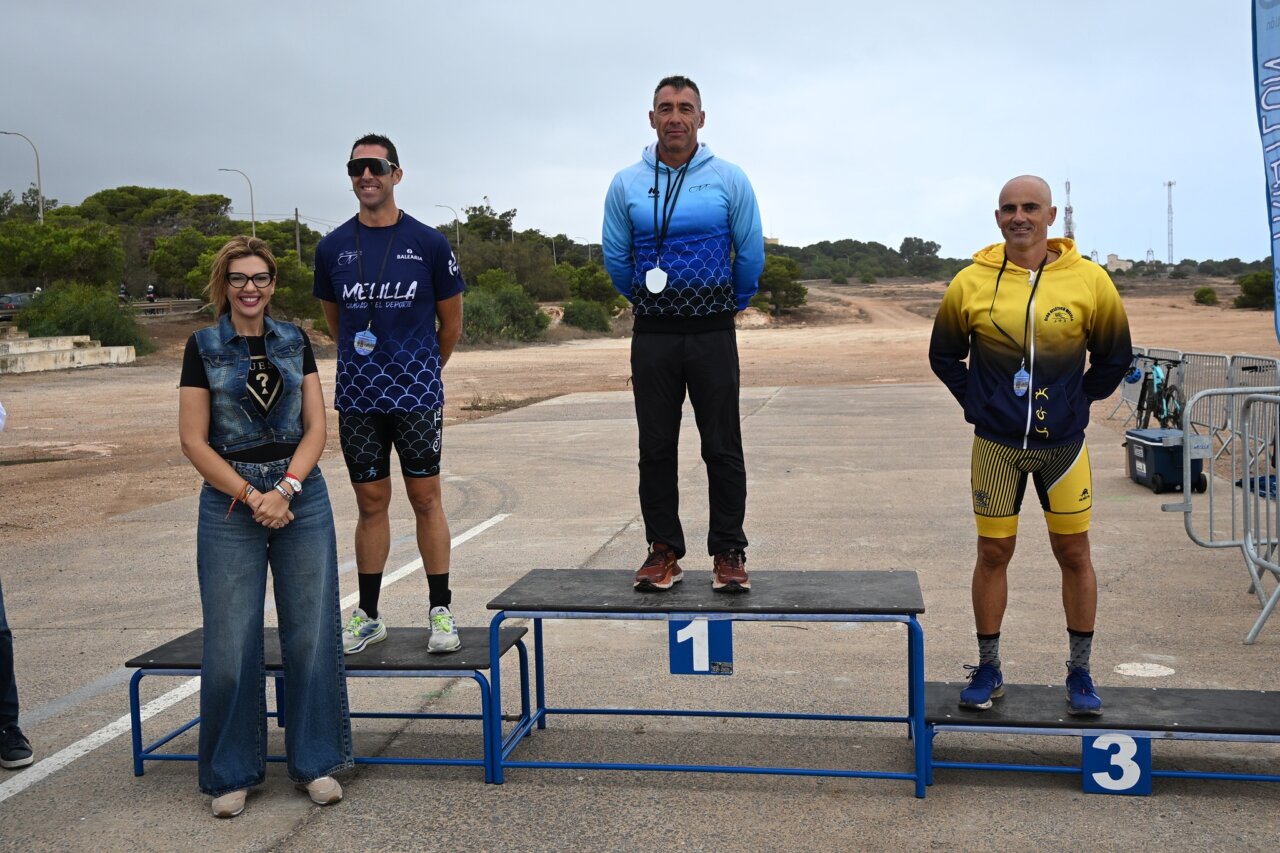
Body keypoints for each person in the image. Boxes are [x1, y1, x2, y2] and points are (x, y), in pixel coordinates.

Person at [928, 175, 1132, 716]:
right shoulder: (970, 281)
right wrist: (979, 402)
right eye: (1009, 208)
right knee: (993, 553)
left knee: (1074, 552)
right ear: (998, 217)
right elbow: (944, 355)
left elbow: (1115, 355)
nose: (1019, 217)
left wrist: (1078, 400)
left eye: (1030, 207)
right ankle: (988, 667)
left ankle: (1080, 671)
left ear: (1050, 215)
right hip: (997, 446)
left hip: (1063, 447)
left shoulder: (1090, 279)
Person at [179, 236, 351, 818]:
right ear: (223, 285)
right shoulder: (202, 346)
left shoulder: (295, 340)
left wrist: (287, 489)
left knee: (311, 633)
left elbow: (316, 427)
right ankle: (232, 772)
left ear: (273, 284)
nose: (249, 288)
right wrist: (254, 495)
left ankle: (317, 762)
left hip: (300, 496)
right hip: (231, 503)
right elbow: (193, 441)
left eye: (259, 278)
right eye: (238, 278)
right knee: (230, 641)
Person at [603, 76, 764, 594]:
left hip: (713, 330)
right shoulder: (626, 183)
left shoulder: (728, 178)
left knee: (722, 445)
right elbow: (616, 257)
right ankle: (663, 550)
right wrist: (650, 300)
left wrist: (730, 303)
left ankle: (729, 550)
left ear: (701, 118)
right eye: (666, 108)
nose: (675, 117)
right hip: (654, 335)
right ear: (652, 118)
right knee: (655, 447)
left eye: (685, 108)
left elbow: (750, 251)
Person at [313, 134, 466, 655]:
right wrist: (370, 365)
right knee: (370, 502)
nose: (365, 176)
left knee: (426, 499)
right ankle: (369, 615)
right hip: (359, 397)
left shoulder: (428, 243)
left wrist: (421, 369)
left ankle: (440, 610)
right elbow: (337, 323)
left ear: (396, 174)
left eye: (376, 166)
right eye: (356, 168)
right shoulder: (332, 247)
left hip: (417, 394)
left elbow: (451, 324)